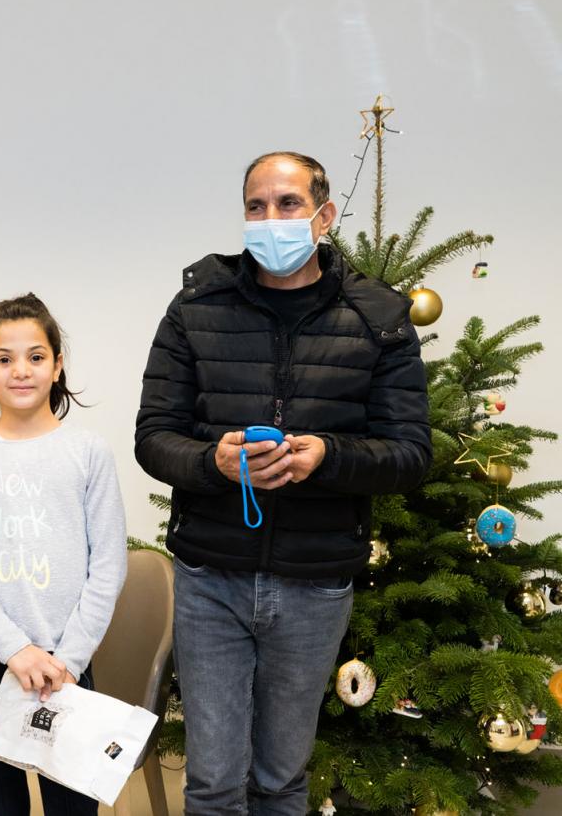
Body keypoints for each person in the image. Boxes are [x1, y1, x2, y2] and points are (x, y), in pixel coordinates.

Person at [135, 151, 431, 814]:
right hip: (211, 575)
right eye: (256, 205)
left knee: (279, 779)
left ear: (323, 216)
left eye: (288, 204)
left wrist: (326, 456)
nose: (271, 218)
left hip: (315, 582)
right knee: (212, 782)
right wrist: (215, 461)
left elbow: (411, 453)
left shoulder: (378, 318)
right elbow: (154, 436)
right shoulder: (195, 307)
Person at [0, 293, 128, 816]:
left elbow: (108, 565)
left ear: (58, 365)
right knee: (0, 805)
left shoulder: (88, 453)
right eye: (4, 359)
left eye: (36, 357)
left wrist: (68, 660)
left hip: (67, 663)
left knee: (72, 805)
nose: (21, 370)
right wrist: (15, 649)